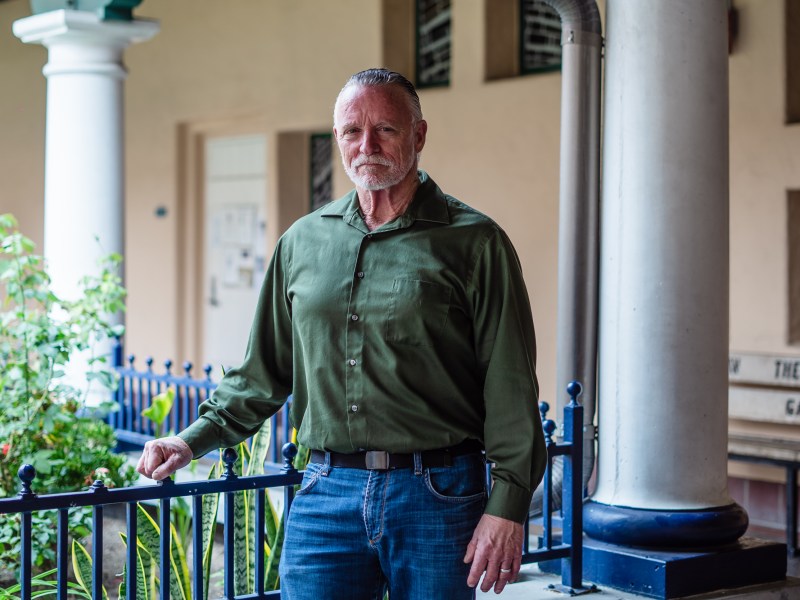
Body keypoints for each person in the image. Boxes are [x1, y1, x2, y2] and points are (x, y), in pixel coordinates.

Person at [137, 68, 546, 599]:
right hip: (326, 494)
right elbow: (263, 372)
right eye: (352, 131)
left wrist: (508, 506)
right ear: (338, 139)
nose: (367, 145)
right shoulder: (302, 242)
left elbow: (509, 381)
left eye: (386, 130)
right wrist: (191, 440)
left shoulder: (475, 242)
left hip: (438, 497)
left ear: (419, 135)